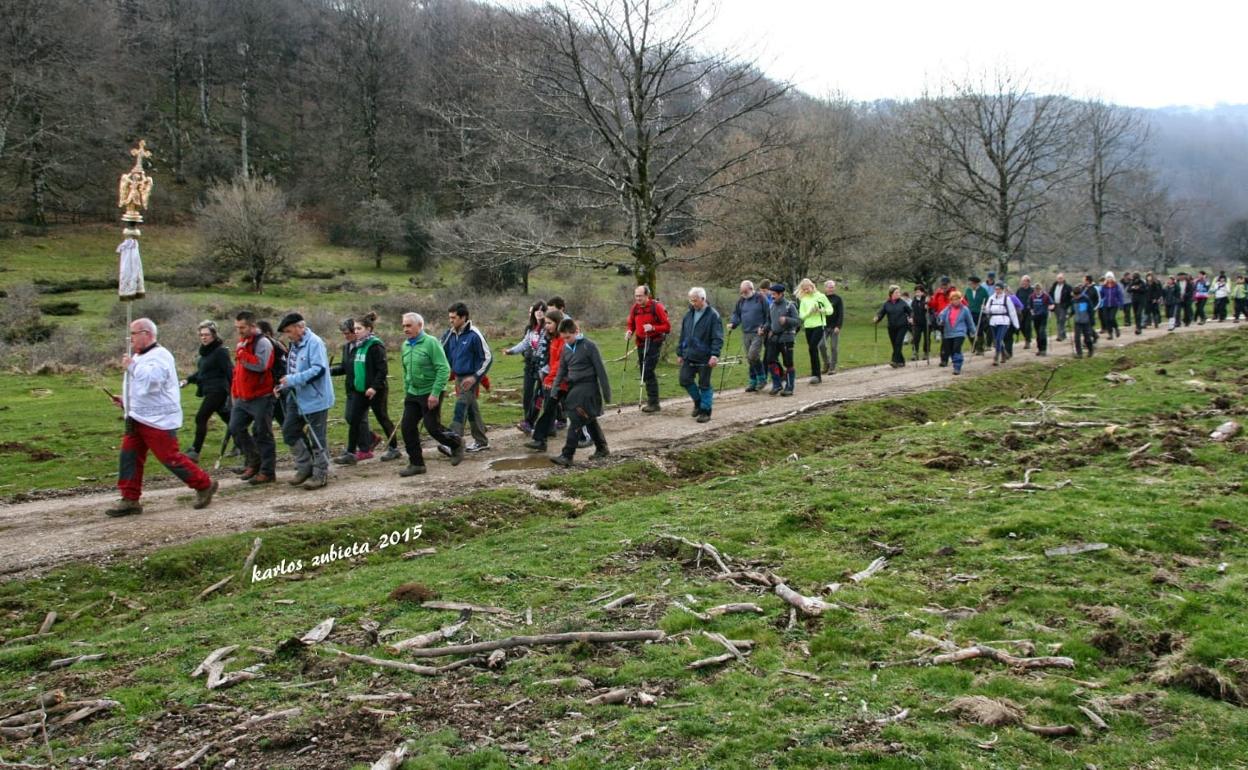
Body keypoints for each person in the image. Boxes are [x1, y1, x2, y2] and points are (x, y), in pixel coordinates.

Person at [106, 318, 217, 516]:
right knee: (129, 456)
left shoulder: (160, 356)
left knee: (169, 457)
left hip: (158, 419)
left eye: (132, 333)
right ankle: (130, 498)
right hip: (137, 416)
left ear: (146, 334)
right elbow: (141, 388)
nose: (129, 338)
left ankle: (204, 484)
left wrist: (132, 366)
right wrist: (126, 401)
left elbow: (153, 381)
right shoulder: (140, 357)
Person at [398, 312, 463, 475]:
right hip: (413, 393)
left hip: (430, 392)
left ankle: (456, 443)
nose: (405, 329)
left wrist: (435, 393)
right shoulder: (405, 346)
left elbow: (444, 369)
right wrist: (407, 392)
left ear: (419, 326)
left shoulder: (431, 343)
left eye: (409, 325)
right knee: (407, 427)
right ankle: (417, 464)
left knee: (432, 427)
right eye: (404, 326)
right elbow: (406, 370)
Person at [276, 313, 334, 489]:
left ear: (300, 327)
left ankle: (320, 474)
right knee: (289, 432)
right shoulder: (294, 345)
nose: (288, 336)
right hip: (296, 396)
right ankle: (305, 467)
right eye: (286, 332)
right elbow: (292, 370)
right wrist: (283, 385)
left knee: (317, 437)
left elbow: (319, 370)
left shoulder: (314, 343)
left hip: (316, 398)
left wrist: (292, 380)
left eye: (289, 331)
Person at [549, 318, 611, 466]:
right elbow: (562, 370)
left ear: (576, 332)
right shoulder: (565, 349)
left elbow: (601, 371)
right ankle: (602, 448)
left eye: (568, 337)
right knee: (587, 418)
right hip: (574, 387)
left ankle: (567, 455)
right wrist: (555, 387)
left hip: (588, 388)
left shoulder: (589, 347)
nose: (565, 341)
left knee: (577, 418)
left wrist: (606, 393)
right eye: (563, 338)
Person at [229, 311, 277, 484]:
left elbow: (261, 365)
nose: (239, 331)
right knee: (235, 428)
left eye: (242, 327)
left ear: (252, 325)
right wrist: (234, 391)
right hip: (243, 397)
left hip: (261, 396)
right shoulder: (243, 342)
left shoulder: (262, 342)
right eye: (237, 327)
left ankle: (267, 471)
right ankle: (253, 461)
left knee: (262, 433)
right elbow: (238, 371)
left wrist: (242, 354)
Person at [441, 302, 493, 452]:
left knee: (460, 407)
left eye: (454, 317)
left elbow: (488, 358)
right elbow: (442, 353)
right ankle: (482, 441)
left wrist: (475, 377)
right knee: (471, 409)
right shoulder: (450, 334)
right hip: (458, 377)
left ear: (463, 317)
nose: (451, 321)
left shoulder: (474, 334)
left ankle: (453, 442)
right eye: (449, 318)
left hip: (470, 379)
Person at [180, 321, 232, 462]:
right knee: (231, 420)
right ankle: (243, 445)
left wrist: (234, 393)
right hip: (210, 390)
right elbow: (202, 372)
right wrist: (188, 380)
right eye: (201, 335)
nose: (203, 337)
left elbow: (230, 371)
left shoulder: (220, 351)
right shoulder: (206, 352)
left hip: (219, 390)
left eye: (207, 335)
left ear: (214, 335)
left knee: (201, 417)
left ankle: (195, 452)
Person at [349, 314, 399, 461]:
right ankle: (350, 452)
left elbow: (382, 370)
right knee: (354, 420)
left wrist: (374, 387)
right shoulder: (357, 346)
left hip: (376, 390)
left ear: (368, 329)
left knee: (382, 418)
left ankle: (394, 448)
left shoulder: (375, 345)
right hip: (360, 391)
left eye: (359, 328)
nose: (356, 331)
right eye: (355, 328)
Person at [329, 318, 373, 465]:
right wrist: (329, 371)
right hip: (351, 388)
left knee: (355, 418)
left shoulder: (364, 346)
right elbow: (344, 367)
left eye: (348, 333)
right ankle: (368, 441)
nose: (346, 336)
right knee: (352, 418)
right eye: (344, 334)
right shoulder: (347, 347)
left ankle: (362, 449)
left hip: (363, 389)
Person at [677, 286, 724, 422]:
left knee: (704, 384)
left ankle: (705, 411)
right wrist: (680, 352)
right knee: (684, 379)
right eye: (691, 301)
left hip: (705, 356)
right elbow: (683, 335)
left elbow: (717, 337)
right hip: (689, 355)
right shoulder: (688, 314)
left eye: (695, 301)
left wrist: (714, 355)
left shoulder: (713, 316)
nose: (692, 303)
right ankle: (698, 402)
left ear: (703, 299)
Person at [525, 310, 567, 451]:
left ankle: (595, 441)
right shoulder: (553, 339)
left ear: (558, 323)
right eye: (545, 323)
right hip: (554, 380)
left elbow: (560, 363)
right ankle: (541, 439)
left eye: (549, 323)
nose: (546, 326)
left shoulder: (562, 339)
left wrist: (549, 378)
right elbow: (551, 360)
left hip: (561, 381)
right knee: (548, 409)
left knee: (577, 411)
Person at [625, 285, 671, 412]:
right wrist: (629, 331)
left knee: (648, 370)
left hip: (654, 341)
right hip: (640, 342)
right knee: (643, 371)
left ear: (647, 295)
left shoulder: (657, 307)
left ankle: (654, 403)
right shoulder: (635, 308)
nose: (638, 298)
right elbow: (631, 323)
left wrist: (653, 328)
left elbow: (667, 327)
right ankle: (652, 401)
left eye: (640, 296)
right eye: (636, 296)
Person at [505, 301, 547, 432]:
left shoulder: (549, 328)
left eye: (542, 310)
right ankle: (527, 422)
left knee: (542, 396)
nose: (539, 312)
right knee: (528, 394)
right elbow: (524, 344)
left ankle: (551, 422)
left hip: (544, 366)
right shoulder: (530, 329)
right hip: (531, 365)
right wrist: (511, 351)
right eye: (537, 310)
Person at [729, 280, 769, 392]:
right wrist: (733, 323)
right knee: (750, 359)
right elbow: (736, 314)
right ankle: (753, 381)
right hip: (746, 332)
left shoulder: (761, 298)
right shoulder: (741, 301)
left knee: (752, 355)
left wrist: (764, 327)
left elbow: (768, 315)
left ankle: (762, 378)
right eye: (741, 292)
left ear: (751, 289)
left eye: (745, 291)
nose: (743, 294)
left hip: (758, 332)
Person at [795, 278, 833, 384]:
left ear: (812, 286)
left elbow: (830, 310)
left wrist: (822, 311)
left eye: (807, 289)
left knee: (813, 346)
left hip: (819, 325)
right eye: (804, 290)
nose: (806, 291)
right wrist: (809, 312)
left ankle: (816, 375)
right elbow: (801, 315)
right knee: (811, 350)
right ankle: (815, 374)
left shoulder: (821, 297)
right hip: (808, 327)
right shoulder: (804, 299)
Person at [764, 283, 799, 396]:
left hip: (787, 337)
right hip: (774, 338)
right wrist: (764, 328)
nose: (772, 296)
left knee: (788, 363)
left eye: (774, 294)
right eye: (771, 294)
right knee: (770, 361)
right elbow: (769, 322)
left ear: (781, 294)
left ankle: (789, 387)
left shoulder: (790, 305)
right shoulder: (771, 306)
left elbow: (797, 321)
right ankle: (777, 384)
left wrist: (787, 320)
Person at [936, 291, 976, 375]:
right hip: (948, 333)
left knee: (956, 348)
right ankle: (955, 363)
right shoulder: (947, 309)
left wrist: (973, 332)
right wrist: (940, 320)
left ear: (960, 299)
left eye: (957, 299)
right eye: (953, 299)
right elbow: (941, 316)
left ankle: (957, 366)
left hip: (960, 333)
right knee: (950, 350)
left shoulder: (965, 309)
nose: (955, 301)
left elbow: (970, 322)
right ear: (950, 300)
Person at [874, 285, 913, 368]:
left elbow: (910, 311)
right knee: (895, 345)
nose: (899, 294)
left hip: (902, 326)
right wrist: (877, 318)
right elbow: (881, 313)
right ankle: (901, 361)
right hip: (891, 327)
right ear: (891, 294)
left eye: (899, 292)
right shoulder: (886, 304)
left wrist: (911, 318)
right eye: (896, 292)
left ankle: (894, 361)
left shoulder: (902, 303)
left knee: (898, 343)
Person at [984, 282, 1019, 365]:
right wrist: (984, 309)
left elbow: (1012, 312)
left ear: (1002, 290)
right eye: (996, 289)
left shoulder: (1007, 299)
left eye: (999, 289)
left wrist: (1016, 324)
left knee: (999, 339)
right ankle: (1004, 354)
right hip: (993, 321)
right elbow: (988, 310)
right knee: (996, 340)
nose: (997, 291)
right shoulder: (991, 298)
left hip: (1004, 321)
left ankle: (996, 357)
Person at [823, 280, 845, 374]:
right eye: (829, 287)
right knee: (820, 345)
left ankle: (833, 367)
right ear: (825, 288)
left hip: (834, 327)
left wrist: (838, 326)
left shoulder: (838, 299)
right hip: (824, 326)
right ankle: (826, 363)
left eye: (832, 287)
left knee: (833, 347)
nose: (831, 288)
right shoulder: (822, 298)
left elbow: (841, 313)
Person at [965, 276, 990, 354]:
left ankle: (980, 348)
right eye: (969, 283)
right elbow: (965, 300)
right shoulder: (968, 290)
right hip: (970, 313)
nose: (970, 285)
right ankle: (974, 346)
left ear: (976, 283)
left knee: (979, 330)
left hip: (980, 313)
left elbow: (988, 301)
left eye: (971, 283)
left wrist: (985, 307)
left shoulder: (983, 291)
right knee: (969, 331)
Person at [1026, 281, 1052, 356]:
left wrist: (1050, 307)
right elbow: (1030, 305)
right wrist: (1031, 311)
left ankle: (1044, 349)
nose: (1037, 291)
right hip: (1035, 317)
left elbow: (1051, 304)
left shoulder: (1045, 296)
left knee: (1042, 332)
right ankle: (1040, 349)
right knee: (1038, 333)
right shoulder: (1032, 296)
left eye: (1038, 289)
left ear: (1041, 289)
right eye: (1036, 289)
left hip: (1043, 316)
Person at [1072, 284, 1097, 358]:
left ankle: (1091, 350)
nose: (1076, 297)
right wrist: (1069, 314)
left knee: (1087, 338)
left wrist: (1092, 321)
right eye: (1075, 295)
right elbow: (1073, 310)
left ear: (1080, 294)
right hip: (1077, 321)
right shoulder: (1073, 300)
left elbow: (1091, 311)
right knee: (1077, 338)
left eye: (1077, 295)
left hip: (1086, 321)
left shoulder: (1086, 299)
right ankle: (1079, 354)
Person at [1099, 272, 1125, 338]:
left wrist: (1121, 304)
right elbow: (1101, 295)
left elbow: (1120, 296)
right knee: (1107, 319)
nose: (1109, 279)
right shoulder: (1104, 286)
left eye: (1110, 277)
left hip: (1114, 304)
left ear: (1113, 278)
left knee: (1112, 318)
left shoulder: (1116, 286)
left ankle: (1116, 328)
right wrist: (1101, 289)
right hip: (1106, 304)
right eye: (1108, 277)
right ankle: (1110, 334)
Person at [1048, 273, 1072, 341]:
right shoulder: (1054, 285)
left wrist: (1068, 305)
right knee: (1059, 320)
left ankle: (1060, 336)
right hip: (1056, 305)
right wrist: (1050, 303)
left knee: (1062, 319)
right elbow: (1050, 294)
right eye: (1058, 278)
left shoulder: (1067, 287)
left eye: (1061, 278)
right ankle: (1063, 334)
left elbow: (1071, 297)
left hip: (1063, 305)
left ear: (1063, 279)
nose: (1059, 280)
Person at [910, 284, 931, 361]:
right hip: (917, 322)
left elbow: (930, 310)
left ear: (922, 292)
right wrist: (911, 317)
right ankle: (915, 352)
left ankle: (926, 352)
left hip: (926, 322)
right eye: (916, 292)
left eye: (918, 292)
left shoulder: (926, 300)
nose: (917, 293)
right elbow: (912, 311)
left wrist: (928, 306)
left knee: (927, 338)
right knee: (916, 338)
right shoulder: (914, 301)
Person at [1014, 276, 1035, 349]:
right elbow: (1016, 299)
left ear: (1028, 282)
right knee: (1021, 326)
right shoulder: (1019, 290)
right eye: (1022, 281)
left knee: (1027, 326)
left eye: (1024, 281)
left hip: (1029, 311)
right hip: (1021, 312)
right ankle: (1027, 338)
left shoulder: (1032, 290)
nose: (1023, 282)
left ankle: (1027, 342)